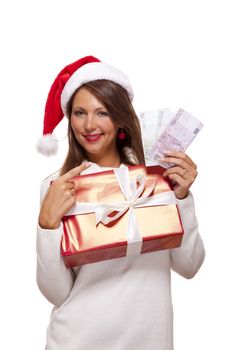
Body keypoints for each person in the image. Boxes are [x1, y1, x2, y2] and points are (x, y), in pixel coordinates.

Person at [36, 55, 205, 350]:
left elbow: (189, 266)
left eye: (102, 112)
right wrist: (47, 225)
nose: (89, 125)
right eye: (79, 113)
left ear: (119, 117)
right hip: (76, 340)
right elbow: (57, 292)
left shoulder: (156, 178)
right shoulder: (58, 187)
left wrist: (182, 199)